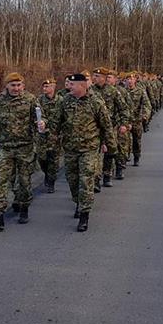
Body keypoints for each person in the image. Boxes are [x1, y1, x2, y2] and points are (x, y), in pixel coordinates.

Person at [53, 73, 116, 232]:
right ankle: (78, 202)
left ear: (82, 86)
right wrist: (47, 133)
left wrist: (111, 148)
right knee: (72, 179)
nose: (69, 87)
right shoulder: (65, 101)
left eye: (72, 85)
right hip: (70, 149)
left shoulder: (96, 102)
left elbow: (106, 126)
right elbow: (56, 123)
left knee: (86, 179)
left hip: (89, 148)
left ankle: (84, 214)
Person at [0, 72, 45, 230]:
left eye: (19, 85)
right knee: (0, 180)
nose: (16, 88)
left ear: (23, 86)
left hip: (25, 147)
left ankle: (24, 206)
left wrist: (42, 124)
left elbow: (40, 118)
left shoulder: (30, 99)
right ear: (7, 86)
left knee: (24, 181)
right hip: (5, 148)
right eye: (13, 85)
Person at [91, 67, 130, 187]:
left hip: (110, 127)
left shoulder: (113, 91)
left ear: (103, 78)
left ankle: (107, 175)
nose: (94, 78)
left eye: (97, 76)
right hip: (94, 128)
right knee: (95, 155)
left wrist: (124, 124)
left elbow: (123, 108)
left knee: (108, 152)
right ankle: (95, 180)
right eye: (94, 76)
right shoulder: (90, 91)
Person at [37, 78, 62, 193]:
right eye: (44, 87)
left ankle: (51, 182)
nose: (44, 89)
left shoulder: (61, 101)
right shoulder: (39, 100)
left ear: (53, 87)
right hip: (42, 135)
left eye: (47, 87)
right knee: (42, 158)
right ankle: (46, 173)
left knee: (53, 159)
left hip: (55, 135)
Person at [125, 72, 151, 166]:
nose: (129, 81)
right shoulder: (123, 91)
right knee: (125, 140)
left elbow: (147, 104)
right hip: (126, 120)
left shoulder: (140, 91)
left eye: (131, 79)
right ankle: (125, 156)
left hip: (137, 120)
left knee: (136, 140)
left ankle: (136, 157)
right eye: (128, 79)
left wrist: (145, 115)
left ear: (135, 80)